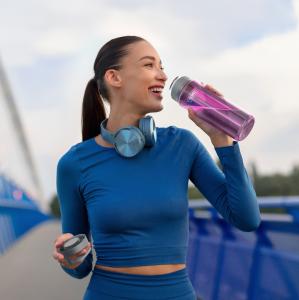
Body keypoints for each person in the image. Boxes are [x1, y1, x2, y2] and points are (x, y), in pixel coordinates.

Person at [52, 35, 261, 300]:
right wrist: (70, 259)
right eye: (149, 65)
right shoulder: (74, 164)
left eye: (162, 66)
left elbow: (247, 218)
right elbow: (80, 268)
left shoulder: (182, 145)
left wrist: (223, 140)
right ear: (114, 77)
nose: (162, 76)